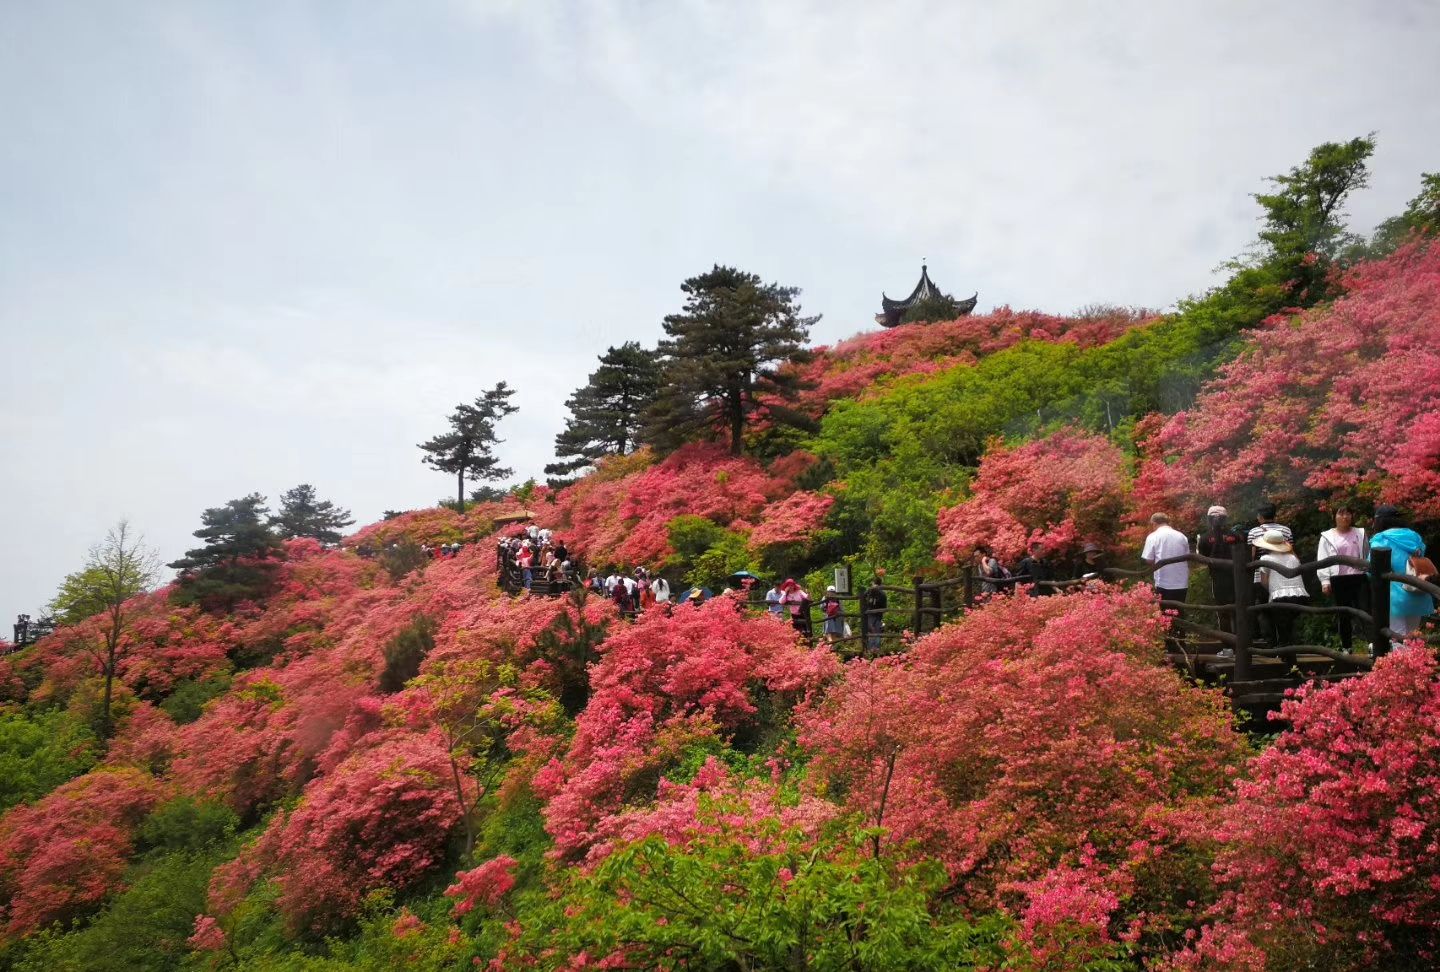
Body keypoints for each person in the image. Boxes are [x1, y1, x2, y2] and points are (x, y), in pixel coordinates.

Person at [1370, 505, 1435, 645]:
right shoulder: (1414, 536)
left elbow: (1372, 566)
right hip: (1418, 589)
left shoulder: (1380, 539)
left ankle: (1401, 660)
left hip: (1394, 594)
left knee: (1397, 636)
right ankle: (1415, 659)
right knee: (1413, 636)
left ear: (1380, 521)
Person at [1316, 505, 1368, 653]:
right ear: (1334, 516)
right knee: (1343, 614)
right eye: (1341, 514)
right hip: (1339, 578)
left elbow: (1367, 553)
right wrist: (1325, 581)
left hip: (1359, 576)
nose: (1345, 517)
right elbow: (1322, 559)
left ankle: (1372, 643)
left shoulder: (1360, 533)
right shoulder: (1327, 536)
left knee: (1365, 611)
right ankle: (1347, 646)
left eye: (1348, 513)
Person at [1247, 504, 1293, 642]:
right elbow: (1290, 550)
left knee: (1263, 608)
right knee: (1282, 609)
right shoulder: (1285, 530)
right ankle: (1285, 641)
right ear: (1275, 515)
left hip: (1260, 576)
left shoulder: (1254, 532)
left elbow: (1252, 555)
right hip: (1283, 574)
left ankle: (1270, 641)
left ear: (1260, 517)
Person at [1142, 513, 1190, 648]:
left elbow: (1149, 559)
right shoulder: (1181, 536)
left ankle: (1170, 645)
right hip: (1181, 579)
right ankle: (1181, 642)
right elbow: (1188, 556)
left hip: (1163, 580)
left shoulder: (1153, 536)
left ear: (1154, 523)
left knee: (1165, 613)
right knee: (1179, 612)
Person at [1255, 529, 1308, 651]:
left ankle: (1284, 652)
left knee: (1280, 625)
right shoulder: (1293, 557)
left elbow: (1264, 581)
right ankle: (1290, 650)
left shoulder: (1265, 558)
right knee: (1289, 624)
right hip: (1300, 594)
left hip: (1280, 595)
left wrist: (1272, 591)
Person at [1195, 505, 1242, 634]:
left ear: (1209, 519)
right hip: (1237, 576)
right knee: (1238, 608)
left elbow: (1203, 558)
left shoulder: (1205, 538)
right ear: (1225, 519)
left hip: (1217, 577)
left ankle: (1227, 641)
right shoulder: (1236, 536)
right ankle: (1241, 638)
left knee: (1222, 609)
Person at [860, 577, 888, 653]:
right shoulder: (882, 593)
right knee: (877, 631)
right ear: (881, 583)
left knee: (871, 631)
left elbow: (863, 598)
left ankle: (870, 649)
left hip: (869, 614)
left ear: (873, 582)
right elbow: (884, 606)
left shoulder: (869, 591)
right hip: (878, 615)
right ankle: (876, 649)